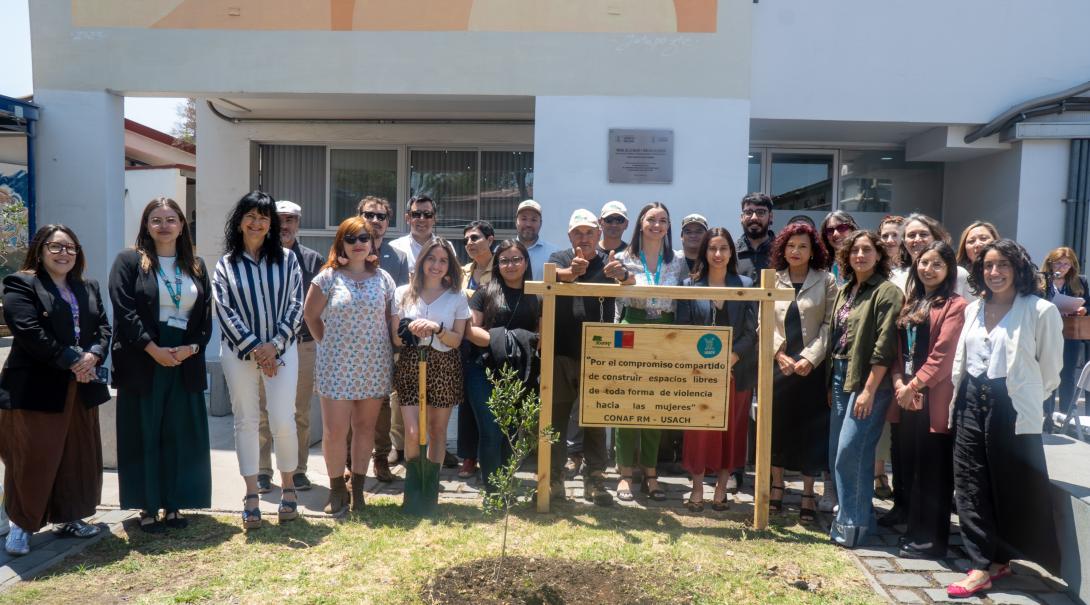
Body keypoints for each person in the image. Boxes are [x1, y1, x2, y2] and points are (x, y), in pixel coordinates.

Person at [945, 239, 1062, 598]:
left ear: (1018, 269)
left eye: (1003, 266)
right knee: (970, 483)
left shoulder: (1039, 310)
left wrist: (1025, 400)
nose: (994, 273)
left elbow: (1051, 370)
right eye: (988, 266)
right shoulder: (973, 309)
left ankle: (1001, 559)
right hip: (969, 401)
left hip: (1011, 406)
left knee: (1011, 483)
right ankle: (979, 563)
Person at [1, 225, 111, 556]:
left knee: (78, 455)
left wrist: (93, 355)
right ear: (40, 249)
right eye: (56, 247)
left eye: (71, 248)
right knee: (34, 457)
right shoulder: (22, 283)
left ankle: (70, 516)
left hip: (82, 385)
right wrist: (72, 360)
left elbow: (104, 326)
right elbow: (27, 329)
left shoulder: (87, 285)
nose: (64, 253)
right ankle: (21, 524)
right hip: (38, 386)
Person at [109, 198, 213, 532]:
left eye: (171, 219)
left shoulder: (195, 264)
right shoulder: (128, 261)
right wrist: (152, 349)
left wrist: (193, 347)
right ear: (146, 225)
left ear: (182, 225)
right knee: (145, 432)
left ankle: (175, 503)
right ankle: (148, 506)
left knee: (178, 433)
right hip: (143, 358)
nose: (164, 225)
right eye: (157, 219)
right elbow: (125, 312)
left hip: (185, 358)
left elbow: (206, 314)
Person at [212, 191, 304, 529]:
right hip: (240, 353)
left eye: (264, 217)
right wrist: (255, 347)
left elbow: (297, 304)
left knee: (283, 419)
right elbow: (224, 309)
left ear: (272, 223)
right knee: (246, 421)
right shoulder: (225, 264)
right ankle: (251, 495)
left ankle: (289, 488)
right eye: (251, 215)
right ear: (239, 221)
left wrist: (274, 345)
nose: (257, 222)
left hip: (282, 350)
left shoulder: (288, 259)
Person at [303, 217, 397, 515]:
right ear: (341, 243)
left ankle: (358, 490)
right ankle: (336, 490)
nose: (358, 244)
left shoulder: (383, 279)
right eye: (351, 239)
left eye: (364, 239)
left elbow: (389, 320)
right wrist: (327, 343)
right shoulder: (328, 277)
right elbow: (310, 316)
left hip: (373, 364)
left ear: (372, 243)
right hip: (336, 367)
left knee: (365, 429)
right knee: (334, 431)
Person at [887, 241, 966, 558]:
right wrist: (898, 383)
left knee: (933, 471)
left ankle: (931, 542)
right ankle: (914, 532)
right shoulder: (912, 301)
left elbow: (943, 355)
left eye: (936, 264)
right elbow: (898, 351)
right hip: (906, 397)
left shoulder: (955, 305)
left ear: (949, 270)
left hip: (931, 398)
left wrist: (914, 385)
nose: (928, 269)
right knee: (911, 468)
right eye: (923, 263)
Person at [828, 230, 904, 548]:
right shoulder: (846, 290)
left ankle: (852, 525)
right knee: (841, 453)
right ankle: (861, 519)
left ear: (878, 255)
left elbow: (885, 345)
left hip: (868, 380)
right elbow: (837, 339)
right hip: (840, 376)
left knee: (852, 452)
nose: (860, 255)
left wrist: (870, 389)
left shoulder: (887, 292)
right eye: (855, 251)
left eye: (867, 250)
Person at [608, 202, 688, 501]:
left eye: (663, 220)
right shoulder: (624, 258)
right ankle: (626, 474)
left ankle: (652, 473)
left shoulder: (678, 261)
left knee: (657, 406)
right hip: (632, 326)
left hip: (665, 331)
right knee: (627, 405)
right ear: (640, 223)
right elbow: (618, 300)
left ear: (669, 227)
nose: (657, 225)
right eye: (651, 219)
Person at [676, 228, 757, 512]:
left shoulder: (745, 283)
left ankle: (722, 487)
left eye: (724, 248)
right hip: (699, 374)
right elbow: (683, 329)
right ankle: (697, 487)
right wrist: (708, 366)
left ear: (731, 253)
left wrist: (730, 359)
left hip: (737, 370)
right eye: (712, 249)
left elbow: (751, 331)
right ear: (704, 252)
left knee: (731, 430)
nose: (718, 254)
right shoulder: (688, 285)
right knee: (698, 431)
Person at [767, 222, 837, 522]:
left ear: (813, 251)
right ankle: (776, 488)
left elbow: (830, 324)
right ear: (783, 248)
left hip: (811, 370)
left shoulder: (826, 280)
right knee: (776, 430)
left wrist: (810, 357)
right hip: (779, 367)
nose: (795, 251)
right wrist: (777, 353)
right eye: (791, 245)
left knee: (811, 432)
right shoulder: (771, 279)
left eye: (803, 246)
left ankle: (808, 493)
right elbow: (763, 321)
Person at [549, 209, 618, 506]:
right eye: (578, 232)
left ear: (599, 234)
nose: (584, 237)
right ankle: (552, 479)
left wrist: (624, 275)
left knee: (596, 420)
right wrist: (571, 273)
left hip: (598, 356)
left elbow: (629, 282)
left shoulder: (609, 262)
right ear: (569, 235)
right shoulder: (559, 257)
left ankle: (596, 481)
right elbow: (553, 276)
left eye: (590, 232)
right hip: (561, 352)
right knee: (556, 419)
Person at [254, 201, 323, 495]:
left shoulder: (312, 260)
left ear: (298, 223)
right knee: (263, 410)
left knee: (299, 412)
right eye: (280, 219)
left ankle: (297, 470)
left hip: (303, 345)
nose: (285, 225)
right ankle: (262, 470)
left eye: (291, 219)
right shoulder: (257, 256)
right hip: (266, 346)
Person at [465, 240, 540, 495]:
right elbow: (471, 331)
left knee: (510, 430)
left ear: (526, 262)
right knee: (491, 430)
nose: (510, 265)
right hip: (483, 369)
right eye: (504, 260)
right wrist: (507, 341)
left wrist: (513, 344)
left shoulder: (537, 294)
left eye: (516, 259)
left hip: (520, 372)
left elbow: (542, 334)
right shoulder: (485, 292)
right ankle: (493, 491)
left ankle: (505, 485)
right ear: (497, 264)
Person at [393, 239, 470, 469]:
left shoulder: (457, 296)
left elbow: (457, 339)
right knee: (414, 431)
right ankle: (415, 478)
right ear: (421, 260)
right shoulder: (402, 293)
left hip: (444, 365)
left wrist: (437, 329)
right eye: (431, 258)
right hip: (410, 365)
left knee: (437, 431)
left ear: (450, 265)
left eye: (443, 260)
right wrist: (412, 329)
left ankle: (431, 484)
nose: (436, 265)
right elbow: (396, 338)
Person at [358, 195, 409, 482]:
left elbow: (400, 304)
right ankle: (352, 463)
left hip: (385, 344)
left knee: (383, 403)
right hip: (352, 344)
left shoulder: (397, 257)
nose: (375, 221)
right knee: (352, 402)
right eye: (369, 214)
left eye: (381, 217)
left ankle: (380, 458)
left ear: (388, 223)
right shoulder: (347, 250)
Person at [456, 220, 496, 479]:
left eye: (475, 238)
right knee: (466, 404)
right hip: (464, 345)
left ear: (490, 239)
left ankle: (491, 457)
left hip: (492, 343)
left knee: (488, 406)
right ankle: (468, 458)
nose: (470, 243)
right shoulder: (461, 272)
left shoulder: (502, 267)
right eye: (467, 239)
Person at [874, 214, 905, 502]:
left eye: (896, 235)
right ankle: (878, 471)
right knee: (881, 416)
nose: (890, 240)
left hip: (906, 351)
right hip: (881, 350)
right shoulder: (876, 270)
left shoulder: (911, 271)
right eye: (885, 235)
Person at [1041, 246, 1089, 431]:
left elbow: (1088, 305)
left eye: (1067, 264)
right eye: (1059, 263)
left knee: (1067, 374)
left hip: (1070, 333)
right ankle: (1048, 416)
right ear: (1051, 264)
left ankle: (1066, 418)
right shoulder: (1042, 281)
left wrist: (1083, 310)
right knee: (1049, 371)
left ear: (1072, 266)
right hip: (1049, 332)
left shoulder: (1079, 282)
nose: (1062, 267)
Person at [898, 214, 971, 298]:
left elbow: (973, 309)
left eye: (923, 234)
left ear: (936, 238)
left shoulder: (959, 274)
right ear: (904, 242)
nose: (917, 239)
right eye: (911, 235)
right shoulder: (898, 277)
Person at [515, 199, 560, 280]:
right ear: (516, 221)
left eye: (534, 220)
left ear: (541, 223)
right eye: (524, 219)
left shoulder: (554, 253)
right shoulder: (502, 251)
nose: (528, 224)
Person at [390, 195, 438, 268]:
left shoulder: (446, 248)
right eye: (416, 214)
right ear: (407, 218)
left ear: (434, 219)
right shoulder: (395, 247)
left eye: (427, 214)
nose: (422, 219)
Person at [736, 192, 775, 282]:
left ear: (771, 216)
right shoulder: (730, 253)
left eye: (760, 212)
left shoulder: (782, 252)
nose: (754, 217)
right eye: (748, 212)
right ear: (742, 217)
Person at [819, 210, 859, 285]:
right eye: (830, 230)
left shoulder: (862, 260)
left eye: (841, 228)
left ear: (852, 229)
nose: (835, 234)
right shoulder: (822, 265)